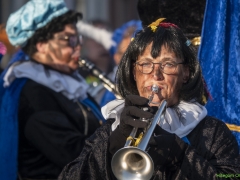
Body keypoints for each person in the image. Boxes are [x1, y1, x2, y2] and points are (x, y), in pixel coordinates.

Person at [59, 18, 240, 180]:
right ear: (134, 73)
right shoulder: (113, 126)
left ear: (185, 73)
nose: (155, 74)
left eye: (167, 64)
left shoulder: (212, 131)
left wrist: (181, 154)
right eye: (145, 64)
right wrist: (110, 147)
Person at [0, 0, 103, 179]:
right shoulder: (33, 93)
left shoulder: (65, 81)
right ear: (41, 45)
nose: (77, 46)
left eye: (77, 38)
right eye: (68, 39)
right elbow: (72, 153)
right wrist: (118, 132)